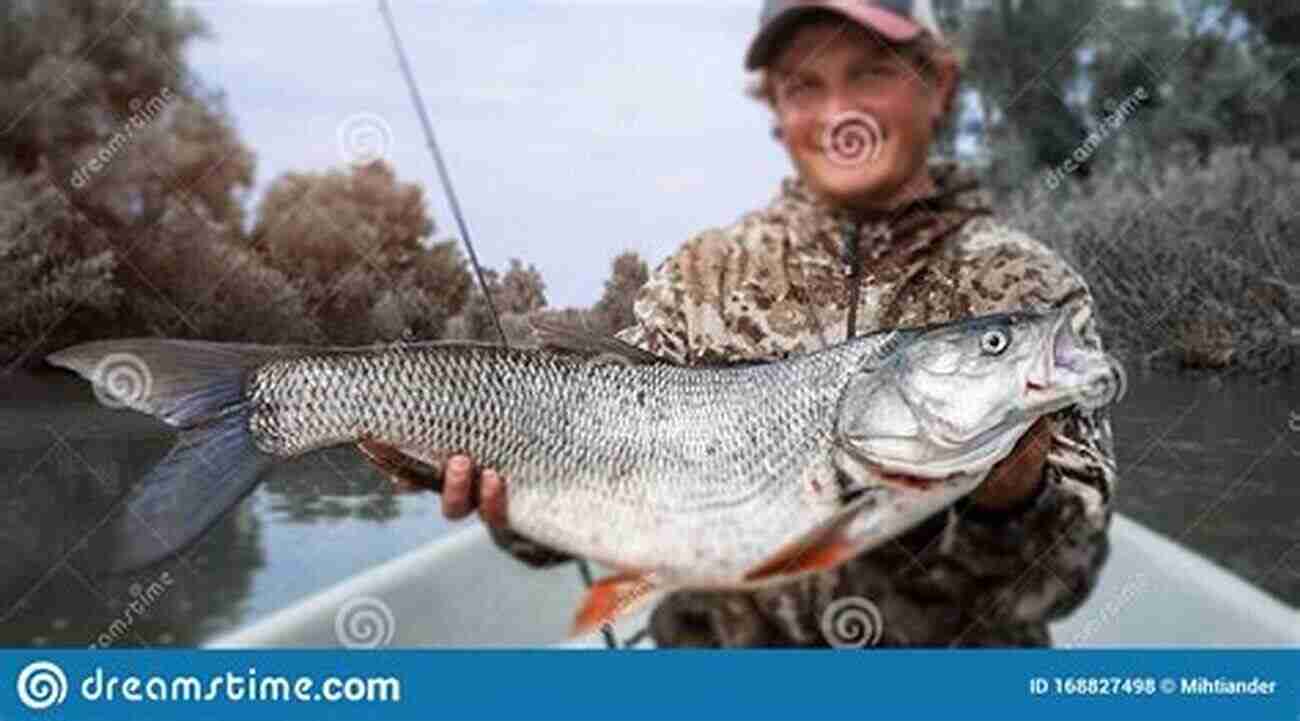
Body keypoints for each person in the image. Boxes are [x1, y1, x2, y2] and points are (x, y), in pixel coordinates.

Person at [391, 0, 1118, 647]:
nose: (841, 113)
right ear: (774, 110)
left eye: (870, 73)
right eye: (805, 85)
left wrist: (1009, 501)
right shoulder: (703, 271)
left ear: (938, 84)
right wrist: (510, 503)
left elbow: (1053, 587)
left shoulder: (1029, 289)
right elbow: (607, 500)